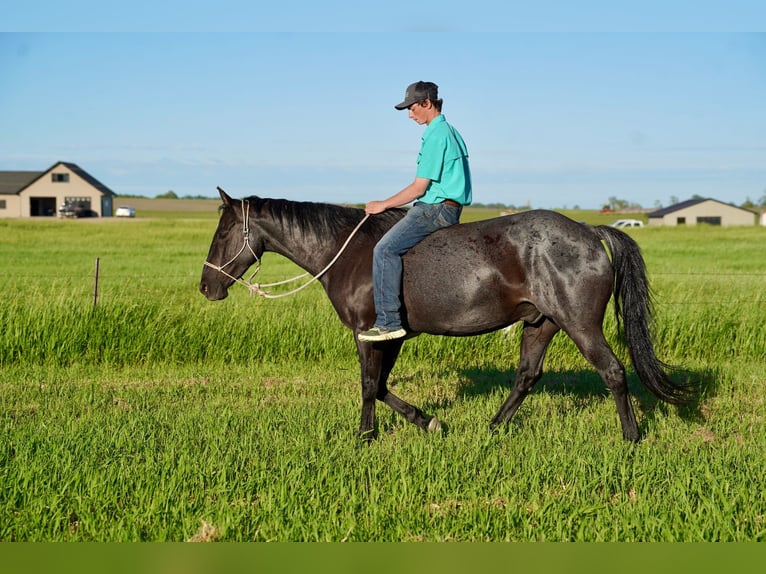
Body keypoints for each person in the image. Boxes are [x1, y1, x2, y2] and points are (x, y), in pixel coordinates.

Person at [358, 81, 472, 343]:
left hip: (435, 209)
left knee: (384, 250)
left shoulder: (436, 135)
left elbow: (419, 188)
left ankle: (388, 322)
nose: (409, 114)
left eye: (411, 108)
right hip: (448, 207)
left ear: (427, 103)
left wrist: (383, 204)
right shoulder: (451, 131)